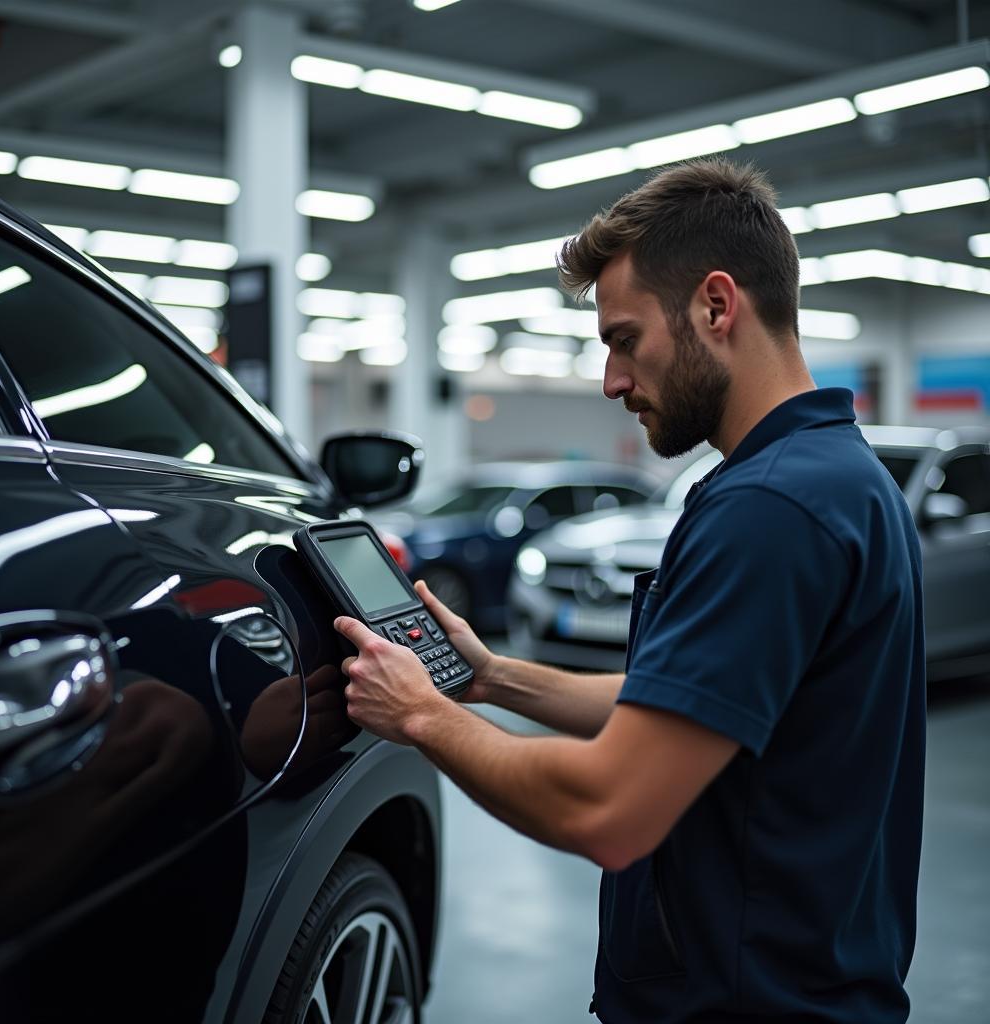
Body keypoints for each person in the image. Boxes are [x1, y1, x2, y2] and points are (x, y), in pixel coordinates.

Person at [334, 158, 926, 1023]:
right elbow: (692, 704)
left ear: (716, 306)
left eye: (623, 340)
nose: (613, 382)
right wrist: (493, 678)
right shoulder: (836, 476)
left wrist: (424, 715)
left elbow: (608, 809)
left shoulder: (772, 507)